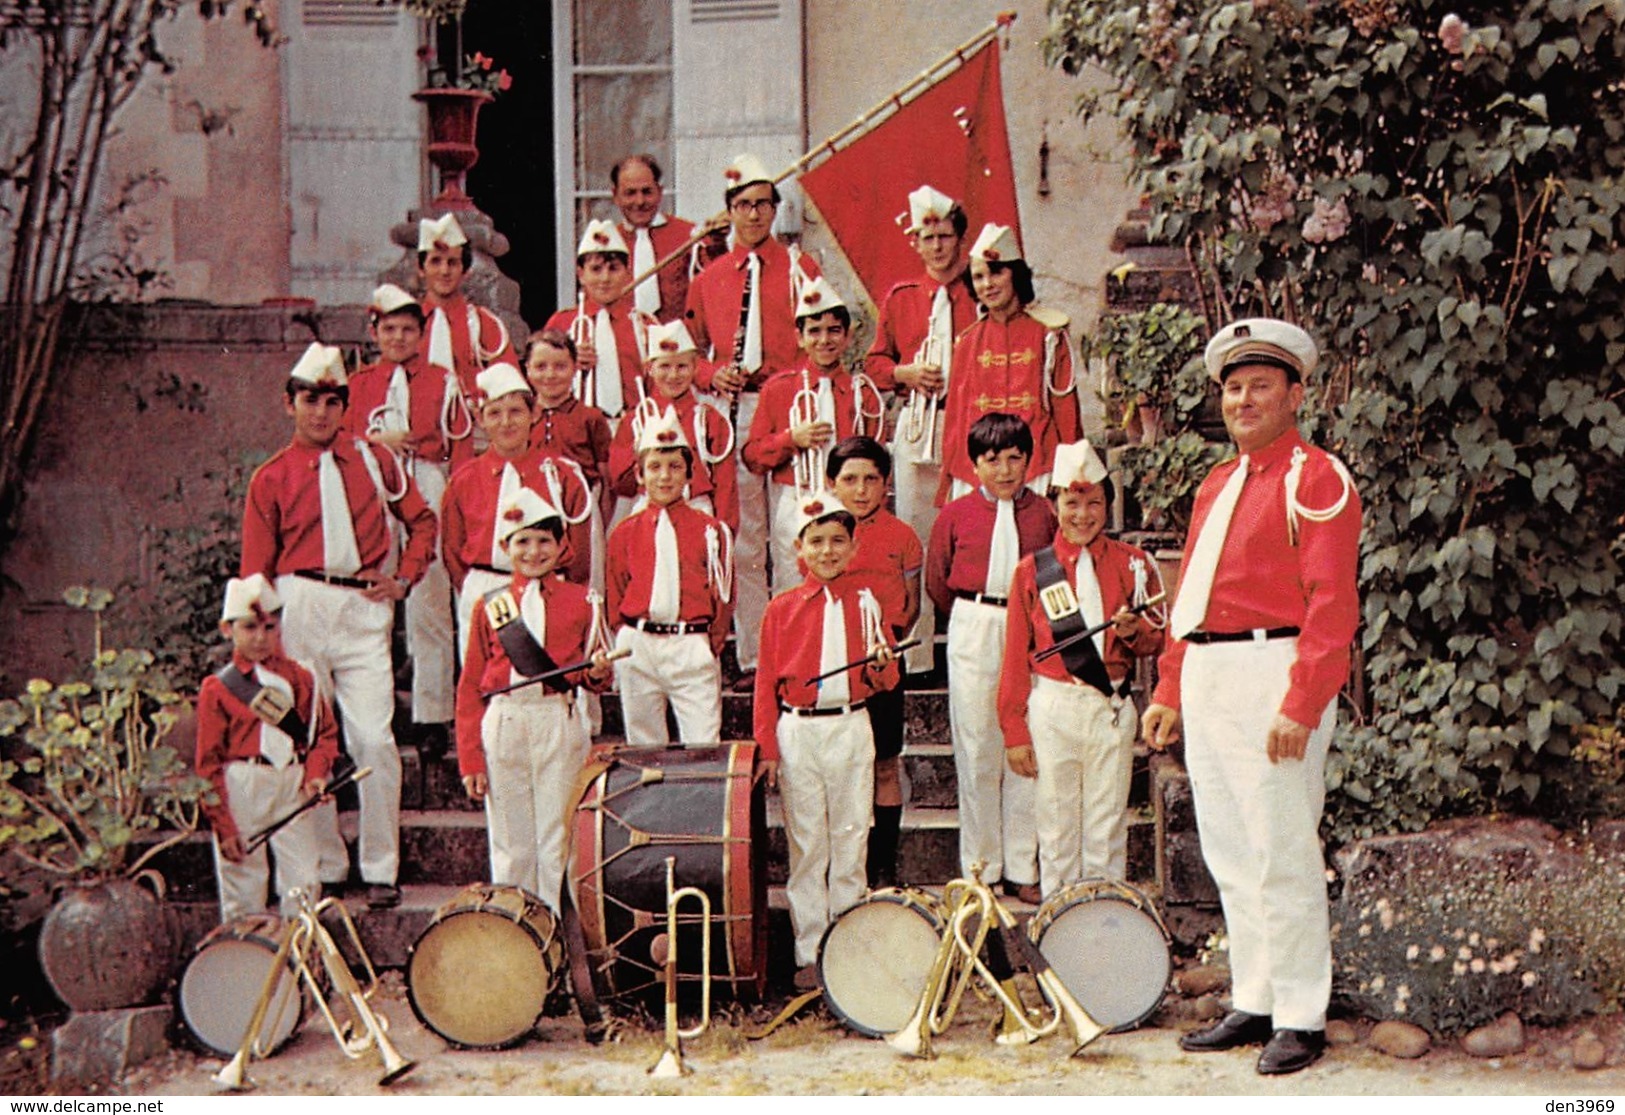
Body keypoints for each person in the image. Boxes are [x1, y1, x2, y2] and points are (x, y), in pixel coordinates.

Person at [1141, 318, 1360, 1076]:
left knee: (1281, 844)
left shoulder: (1316, 477)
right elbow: (1191, 596)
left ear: (1294, 393)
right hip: (1210, 670)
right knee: (1230, 845)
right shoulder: (1217, 481)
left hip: (1277, 667)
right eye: (1232, 387)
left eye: (1259, 385)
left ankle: (1301, 1012)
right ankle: (1257, 994)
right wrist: (1170, 684)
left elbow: (1331, 605)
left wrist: (1301, 703)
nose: (1242, 399)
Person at [239, 343, 437, 909]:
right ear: (289, 404)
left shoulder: (376, 460)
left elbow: (421, 521)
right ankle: (325, 860)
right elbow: (255, 571)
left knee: (373, 736)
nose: (321, 412)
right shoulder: (271, 478)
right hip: (298, 603)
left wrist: (403, 577)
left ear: (345, 405)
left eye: (331, 401)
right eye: (309, 400)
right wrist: (262, 642)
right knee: (304, 739)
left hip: (361, 606)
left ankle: (381, 866)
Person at [998, 439, 1165, 896]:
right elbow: (1014, 656)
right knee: (1055, 825)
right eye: (1072, 503)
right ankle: (1058, 920)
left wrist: (1132, 632)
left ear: (1108, 504)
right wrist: (1014, 730)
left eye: (1094, 502)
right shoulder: (1033, 571)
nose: (1083, 514)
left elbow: (1157, 640)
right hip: (1055, 705)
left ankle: (1104, 921)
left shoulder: (1134, 566)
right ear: (1055, 506)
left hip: (1109, 704)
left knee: (1107, 822)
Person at [685, 152, 822, 686]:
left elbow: (823, 332)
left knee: (793, 526)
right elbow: (688, 353)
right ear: (730, 210)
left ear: (775, 207)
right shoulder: (711, 276)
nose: (754, 214)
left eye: (764, 204)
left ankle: (797, 645)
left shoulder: (800, 268)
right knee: (746, 536)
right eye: (744, 205)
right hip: (736, 408)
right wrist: (711, 374)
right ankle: (754, 655)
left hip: (787, 404)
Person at [755, 487, 898, 990]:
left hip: (852, 727)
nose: (828, 551)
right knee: (808, 843)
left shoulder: (865, 603)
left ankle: (849, 945)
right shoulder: (781, 608)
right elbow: (765, 685)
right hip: (800, 732)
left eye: (839, 540)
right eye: (816, 541)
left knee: (851, 835)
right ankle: (810, 951)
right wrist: (769, 749)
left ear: (854, 547)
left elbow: (888, 678)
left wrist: (883, 666)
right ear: (799, 548)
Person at [456, 487, 615, 912]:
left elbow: (590, 673)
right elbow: (471, 684)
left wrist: (597, 673)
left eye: (545, 540)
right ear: (505, 547)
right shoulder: (490, 606)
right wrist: (470, 759)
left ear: (562, 546)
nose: (533, 551)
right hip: (505, 722)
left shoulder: (581, 601)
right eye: (522, 541)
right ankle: (516, 939)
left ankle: (555, 937)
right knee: (511, 842)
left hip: (556, 721)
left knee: (555, 840)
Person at [925, 413, 1056, 903]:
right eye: (992, 460)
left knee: (1023, 742)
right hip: (975, 622)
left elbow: (1052, 573)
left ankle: (1023, 864)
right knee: (977, 742)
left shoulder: (1043, 513)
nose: (1004, 470)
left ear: (1028, 460)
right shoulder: (955, 516)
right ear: (975, 464)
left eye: (1015, 459)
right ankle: (981, 866)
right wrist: (972, 615)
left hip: (1027, 623)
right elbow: (937, 580)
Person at [864, 185, 979, 673]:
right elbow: (874, 362)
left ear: (960, 239)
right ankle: (918, 654)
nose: (937, 246)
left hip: (967, 421)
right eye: (927, 237)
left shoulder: (980, 291)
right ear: (915, 242)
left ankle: (964, 643)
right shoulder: (902, 297)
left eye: (945, 235)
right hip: (918, 420)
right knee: (915, 529)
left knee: (967, 531)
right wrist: (905, 374)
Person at [343, 283, 463, 743]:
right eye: (389, 328)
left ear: (421, 332)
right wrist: (379, 444)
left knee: (428, 596)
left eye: (408, 329)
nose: (398, 338)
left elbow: (459, 443)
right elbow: (346, 440)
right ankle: (377, 705)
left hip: (426, 481)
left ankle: (432, 712)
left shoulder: (441, 379)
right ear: (375, 331)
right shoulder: (358, 385)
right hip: (373, 486)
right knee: (373, 589)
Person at [196, 574, 339, 923]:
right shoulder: (218, 688)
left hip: (290, 781)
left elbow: (323, 736)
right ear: (228, 629)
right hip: (244, 784)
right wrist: (223, 826)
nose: (261, 638)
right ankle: (247, 968)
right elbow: (208, 763)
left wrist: (315, 776)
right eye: (249, 628)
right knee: (243, 887)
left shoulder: (302, 677)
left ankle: (301, 962)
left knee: (304, 881)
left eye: (269, 627)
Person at [442, 361, 595, 661]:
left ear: (534, 414)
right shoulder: (464, 479)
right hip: (488, 587)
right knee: (488, 684)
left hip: (549, 587)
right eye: (494, 414)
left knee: (552, 681)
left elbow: (579, 553)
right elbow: (452, 548)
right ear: (481, 420)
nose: (506, 423)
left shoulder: (562, 475)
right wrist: (481, 583)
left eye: (516, 412)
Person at [744, 276, 882, 602]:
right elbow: (752, 457)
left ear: (848, 336)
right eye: (814, 332)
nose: (824, 340)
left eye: (834, 330)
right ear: (800, 337)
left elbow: (878, 458)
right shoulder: (779, 388)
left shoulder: (863, 393)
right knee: (792, 586)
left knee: (851, 585)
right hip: (796, 498)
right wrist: (791, 438)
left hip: (851, 501)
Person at [823, 436, 922, 888]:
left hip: (882, 667)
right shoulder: (822, 533)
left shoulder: (902, 537)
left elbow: (914, 603)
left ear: (886, 485)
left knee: (884, 765)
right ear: (832, 484)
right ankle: (841, 863)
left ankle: (883, 864)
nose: (860, 490)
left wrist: (887, 639)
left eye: (871, 480)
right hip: (833, 672)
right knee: (840, 773)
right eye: (849, 480)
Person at [605, 406, 733, 748]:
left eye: (675, 467)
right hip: (639, 643)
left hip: (689, 640)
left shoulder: (709, 530)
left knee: (703, 742)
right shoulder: (624, 532)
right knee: (645, 745)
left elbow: (722, 595)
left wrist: (708, 642)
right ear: (640, 474)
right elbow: (615, 590)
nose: (665, 477)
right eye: (655, 468)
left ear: (690, 474)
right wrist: (625, 635)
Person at [937, 223, 1081, 503]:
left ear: (1015, 274)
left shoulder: (1049, 335)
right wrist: (949, 479)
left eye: (996, 272)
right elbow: (955, 418)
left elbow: (1066, 413)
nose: (987, 284)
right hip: (975, 471)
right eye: (978, 277)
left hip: (1036, 466)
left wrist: (1069, 471)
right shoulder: (967, 341)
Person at [606, 319, 739, 531]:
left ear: (695, 367)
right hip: (649, 510)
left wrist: (725, 531)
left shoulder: (709, 420)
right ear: (649, 368)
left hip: (697, 507)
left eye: (682, 366)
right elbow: (622, 483)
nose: (673, 375)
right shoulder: (636, 420)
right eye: (665, 366)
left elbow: (726, 486)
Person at [524, 328, 615, 592]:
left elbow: (606, 479)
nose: (550, 375)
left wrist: (599, 522)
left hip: (581, 509)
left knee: (583, 579)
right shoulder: (523, 417)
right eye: (541, 367)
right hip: (535, 506)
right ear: (527, 370)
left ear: (575, 368)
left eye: (560, 366)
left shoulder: (590, 417)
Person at [545, 220, 656, 422]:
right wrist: (566, 363)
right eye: (596, 269)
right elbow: (541, 382)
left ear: (627, 273)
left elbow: (661, 385)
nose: (605, 278)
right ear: (581, 275)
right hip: (578, 428)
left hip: (633, 427)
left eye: (614, 269)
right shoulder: (561, 324)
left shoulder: (645, 325)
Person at [416, 214, 516, 430]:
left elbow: (509, 385)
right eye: (435, 262)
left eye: (453, 262)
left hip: (474, 433)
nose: (444, 271)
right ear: (421, 269)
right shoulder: (408, 326)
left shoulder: (484, 325)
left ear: (466, 271)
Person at [612, 154, 725, 324]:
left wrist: (718, 244)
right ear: (615, 195)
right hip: (624, 346)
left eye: (647, 192)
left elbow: (720, 285)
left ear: (659, 191)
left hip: (680, 345)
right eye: (630, 193)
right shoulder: (607, 243)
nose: (640, 201)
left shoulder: (690, 236)